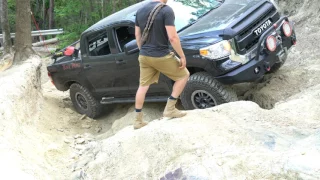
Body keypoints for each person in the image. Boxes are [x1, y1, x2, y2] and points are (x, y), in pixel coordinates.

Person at [133, 0, 190, 129]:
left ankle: (137, 120)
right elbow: (173, 38)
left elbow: (137, 34)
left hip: (144, 55)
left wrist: (143, 50)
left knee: (143, 86)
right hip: (161, 55)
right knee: (183, 75)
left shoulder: (140, 11)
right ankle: (170, 108)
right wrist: (182, 55)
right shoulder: (166, 10)